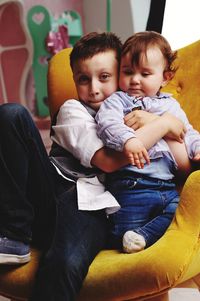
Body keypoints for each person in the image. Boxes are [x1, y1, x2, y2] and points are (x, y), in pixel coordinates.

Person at [0, 31, 186, 301]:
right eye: (83, 79)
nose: (94, 88)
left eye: (105, 77)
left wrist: (158, 122)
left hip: (94, 211)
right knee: (12, 114)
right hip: (53, 192)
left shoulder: (137, 111)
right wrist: (163, 125)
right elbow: (108, 162)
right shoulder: (73, 110)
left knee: (66, 262)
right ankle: (14, 234)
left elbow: (181, 163)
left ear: (121, 76)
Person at [95, 31, 200, 254]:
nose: (134, 79)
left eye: (145, 73)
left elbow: (186, 132)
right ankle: (128, 235)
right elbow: (107, 123)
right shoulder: (118, 100)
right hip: (132, 185)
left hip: (167, 187)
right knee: (121, 231)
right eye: (127, 72)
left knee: (183, 214)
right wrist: (128, 140)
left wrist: (197, 148)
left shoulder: (171, 107)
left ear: (165, 77)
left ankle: (143, 235)